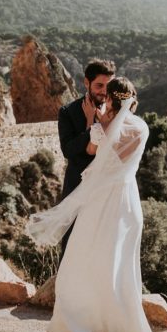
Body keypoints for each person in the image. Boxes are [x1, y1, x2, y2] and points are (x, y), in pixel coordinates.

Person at [27, 77, 157, 332]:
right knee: (114, 265)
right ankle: (112, 328)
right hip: (125, 202)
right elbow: (116, 155)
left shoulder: (104, 129)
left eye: (107, 98)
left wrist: (94, 122)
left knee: (88, 260)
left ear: (111, 100)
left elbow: (97, 153)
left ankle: (88, 326)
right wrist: (101, 123)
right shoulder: (141, 127)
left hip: (105, 202)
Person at [56, 59, 115, 257]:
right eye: (99, 85)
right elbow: (68, 151)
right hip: (77, 183)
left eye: (109, 86)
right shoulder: (67, 112)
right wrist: (90, 127)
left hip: (106, 185)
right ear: (87, 83)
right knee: (72, 238)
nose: (104, 92)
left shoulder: (117, 113)